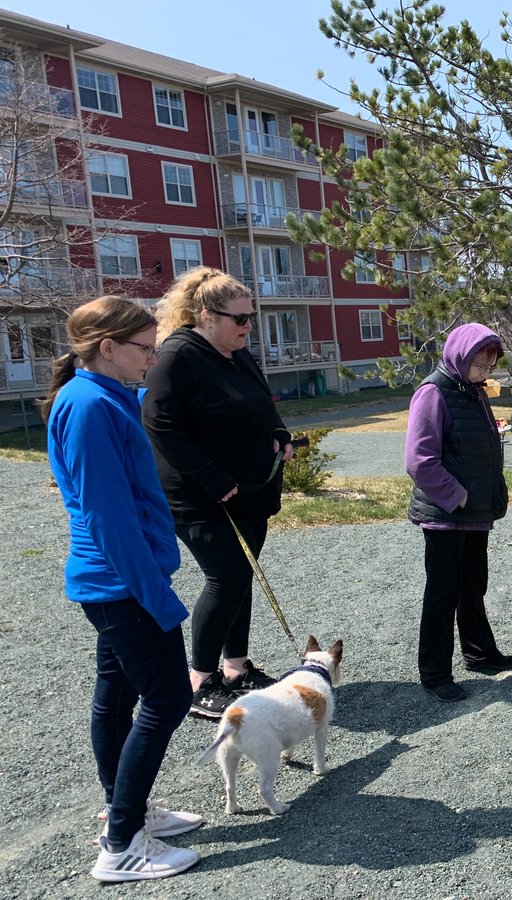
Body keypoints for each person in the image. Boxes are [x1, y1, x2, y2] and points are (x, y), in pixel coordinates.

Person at [42, 297, 202, 882]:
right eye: (144, 347)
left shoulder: (108, 397)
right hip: (119, 583)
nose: (153, 357)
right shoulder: (88, 406)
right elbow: (109, 519)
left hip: (121, 580)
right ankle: (121, 846)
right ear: (107, 348)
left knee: (116, 697)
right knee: (167, 699)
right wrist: (156, 594)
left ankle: (125, 810)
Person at [141, 267, 294, 719]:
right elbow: (160, 423)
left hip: (249, 489)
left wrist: (281, 433)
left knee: (243, 576)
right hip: (201, 496)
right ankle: (199, 681)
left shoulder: (237, 352)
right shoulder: (178, 355)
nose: (249, 326)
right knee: (225, 578)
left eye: (252, 317)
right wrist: (210, 476)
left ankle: (236, 668)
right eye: (240, 319)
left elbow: (263, 405)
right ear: (206, 315)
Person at [404, 323, 512, 702]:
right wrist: (460, 496)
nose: (485, 374)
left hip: (473, 513)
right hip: (446, 513)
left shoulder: (471, 391)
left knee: (473, 584)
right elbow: (420, 460)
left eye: (489, 367)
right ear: (460, 356)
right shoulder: (433, 392)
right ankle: (435, 673)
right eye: (479, 366)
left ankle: (479, 652)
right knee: (443, 592)